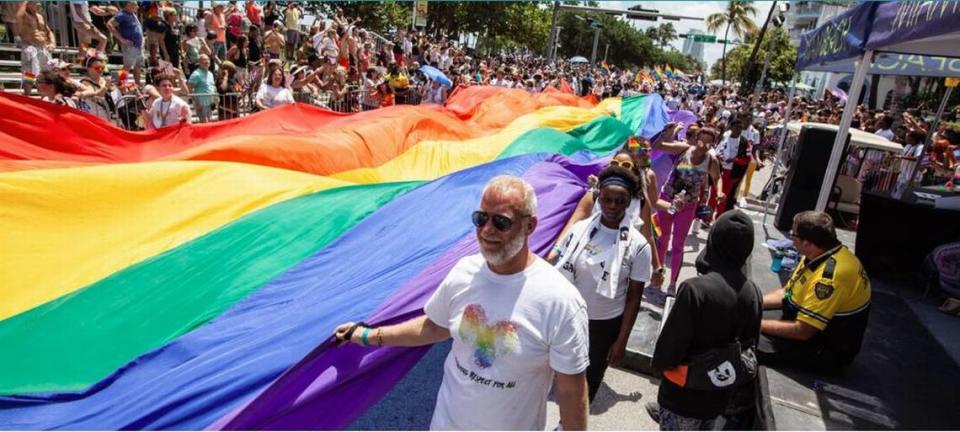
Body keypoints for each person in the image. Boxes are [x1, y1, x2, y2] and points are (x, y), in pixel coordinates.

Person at [334, 176, 589, 430]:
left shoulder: (560, 301)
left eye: (501, 222)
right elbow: (434, 327)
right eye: (481, 218)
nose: (487, 230)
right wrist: (367, 335)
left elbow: (571, 390)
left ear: (529, 226)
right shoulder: (464, 272)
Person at [651, 210, 762, 431]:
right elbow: (749, 346)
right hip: (718, 397)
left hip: (682, 397)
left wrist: (659, 370)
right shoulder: (753, 292)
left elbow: (670, 348)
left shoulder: (695, 289)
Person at [550, 166, 652, 403]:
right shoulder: (579, 230)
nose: (613, 206)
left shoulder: (638, 246)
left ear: (629, 202)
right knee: (560, 374)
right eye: (607, 199)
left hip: (604, 326)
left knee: (588, 381)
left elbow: (634, 298)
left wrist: (621, 341)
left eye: (620, 201)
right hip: (569, 317)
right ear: (599, 198)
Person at [759, 211, 871, 373]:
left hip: (823, 348)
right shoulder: (820, 253)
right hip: (804, 322)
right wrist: (753, 302)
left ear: (807, 243)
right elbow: (788, 293)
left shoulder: (829, 278)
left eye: (794, 235)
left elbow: (803, 331)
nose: (791, 239)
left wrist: (754, 323)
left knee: (743, 341)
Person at [652, 125, 722, 291]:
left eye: (707, 144)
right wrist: (670, 131)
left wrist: (719, 192)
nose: (701, 146)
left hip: (687, 206)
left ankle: (672, 284)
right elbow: (659, 146)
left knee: (677, 245)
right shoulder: (684, 149)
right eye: (700, 141)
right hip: (667, 200)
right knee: (662, 240)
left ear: (712, 145)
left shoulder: (711, 161)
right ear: (695, 139)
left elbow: (717, 177)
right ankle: (657, 277)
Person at [715, 114, 755, 216]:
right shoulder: (724, 136)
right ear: (731, 127)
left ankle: (719, 215)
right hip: (719, 169)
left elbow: (747, 159)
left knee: (725, 194)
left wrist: (735, 160)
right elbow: (717, 149)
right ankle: (708, 215)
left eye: (740, 128)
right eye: (737, 127)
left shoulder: (744, 142)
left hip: (733, 173)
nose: (739, 130)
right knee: (714, 193)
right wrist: (718, 156)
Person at [16, 1, 55, 96]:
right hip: (30, 47)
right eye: (35, 2)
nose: (38, 3)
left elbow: (48, 31)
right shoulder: (24, 14)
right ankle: (27, 96)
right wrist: (25, 2)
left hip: (43, 48)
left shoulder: (41, 16)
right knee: (29, 74)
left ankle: (44, 97)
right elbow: (18, 17)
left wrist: (52, 43)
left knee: (45, 75)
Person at [107, 1, 143, 85]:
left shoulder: (132, 14)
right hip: (130, 46)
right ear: (128, 5)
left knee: (138, 66)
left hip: (138, 45)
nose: (137, 7)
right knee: (127, 67)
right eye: (135, 5)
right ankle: (114, 85)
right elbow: (109, 24)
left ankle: (138, 86)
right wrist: (121, 39)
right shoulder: (122, 14)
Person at [74, 54, 114, 123]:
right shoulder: (85, 82)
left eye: (102, 67)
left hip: (110, 117)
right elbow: (96, 95)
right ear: (88, 69)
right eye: (97, 68)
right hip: (95, 119)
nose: (100, 70)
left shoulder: (105, 80)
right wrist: (106, 87)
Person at [187, 54, 216, 123]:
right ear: (199, 62)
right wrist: (195, 101)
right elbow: (189, 88)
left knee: (209, 123)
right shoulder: (196, 74)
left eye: (208, 59)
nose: (207, 61)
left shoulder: (210, 74)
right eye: (204, 60)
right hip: (201, 104)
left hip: (210, 103)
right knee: (205, 124)